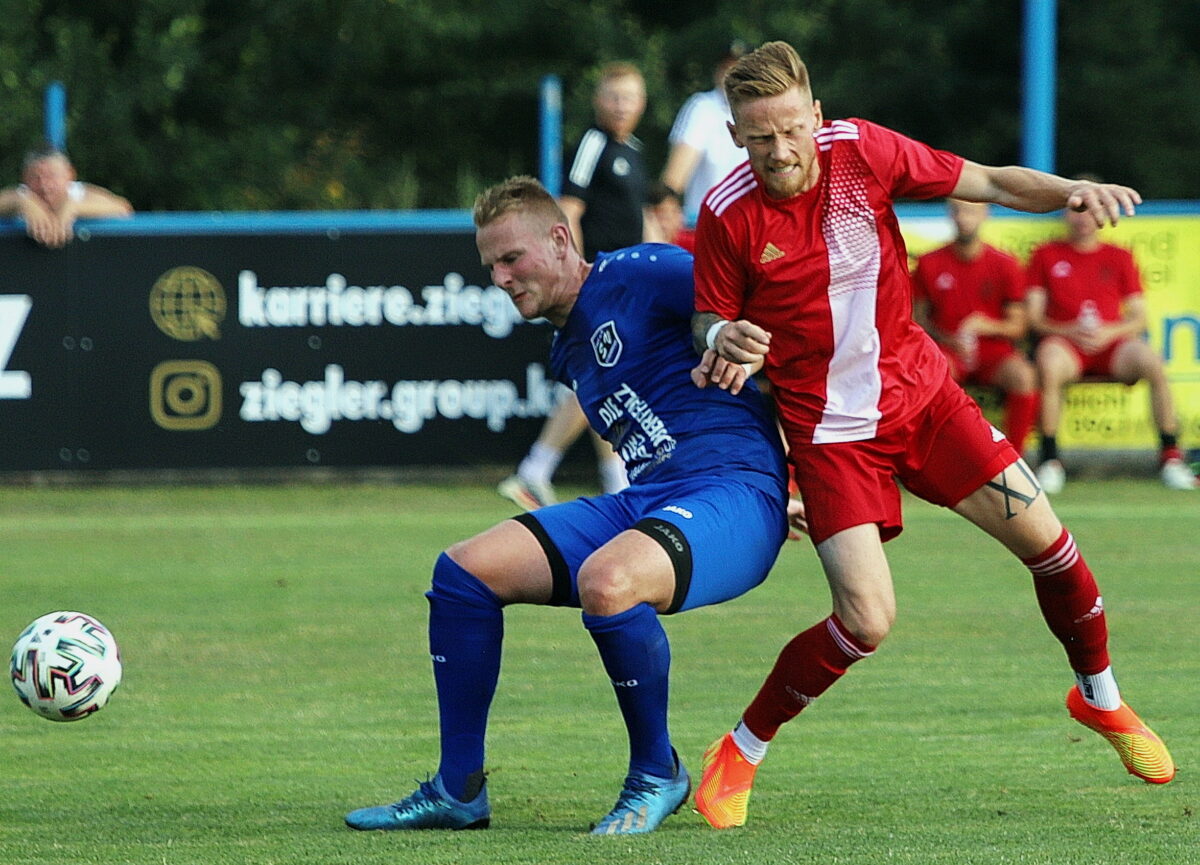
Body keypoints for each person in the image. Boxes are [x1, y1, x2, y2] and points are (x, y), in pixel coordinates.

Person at [687, 41, 1175, 830]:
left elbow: (991, 181)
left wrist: (1073, 189)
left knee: (1054, 547)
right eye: (757, 137)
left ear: (815, 115)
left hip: (925, 401)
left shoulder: (864, 152)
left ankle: (1102, 700)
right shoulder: (727, 212)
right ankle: (743, 744)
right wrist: (724, 336)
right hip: (832, 436)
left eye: (789, 130)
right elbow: (708, 318)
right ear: (737, 134)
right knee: (867, 621)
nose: (778, 151)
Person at [345, 176, 790, 835]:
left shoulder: (645, 268)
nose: (499, 277)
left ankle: (655, 772)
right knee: (464, 573)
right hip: (654, 497)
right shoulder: (568, 345)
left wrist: (806, 471)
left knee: (608, 583)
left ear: (559, 240)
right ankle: (457, 788)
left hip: (734, 491)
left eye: (510, 258)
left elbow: (774, 326)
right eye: (490, 266)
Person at [497, 61, 650, 508]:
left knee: (605, 375)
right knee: (597, 376)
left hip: (627, 285)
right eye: (614, 97)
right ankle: (535, 471)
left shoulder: (634, 151)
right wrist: (578, 274)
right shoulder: (593, 143)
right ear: (598, 100)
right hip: (598, 281)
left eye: (630, 98)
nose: (622, 106)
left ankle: (615, 483)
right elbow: (568, 209)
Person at [1026, 195, 1197, 492]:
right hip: (1067, 344)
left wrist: (1109, 332)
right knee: (1049, 362)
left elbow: (1139, 317)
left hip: (1111, 344)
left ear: (1103, 215)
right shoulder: (1046, 254)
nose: (1082, 218)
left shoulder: (1119, 256)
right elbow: (1033, 317)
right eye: (1076, 210)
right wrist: (1069, 331)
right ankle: (1050, 460)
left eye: (1090, 211)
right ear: (1065, 215)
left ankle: (1170, 457)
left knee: (1152, 361)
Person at [912, 199, 1039, 455]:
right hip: (947, 350)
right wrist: (946, 337)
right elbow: (916, 323)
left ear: (984, 215)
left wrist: (987, 326)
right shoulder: (929, 262)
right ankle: (935, 457)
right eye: (957, 211)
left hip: (992, 352)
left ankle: (1014, 458)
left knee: (1024, 376)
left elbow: (1018, 326)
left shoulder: (1005, 264)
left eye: (970, 211)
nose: (963, 217)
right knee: (933, 373)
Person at [661, 43, 749, 223]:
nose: (732, 76)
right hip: (707, 225)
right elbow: (675, 178)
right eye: (727, 68)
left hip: (754, 227)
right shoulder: (703, 108)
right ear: (717, 72)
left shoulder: (764, 111)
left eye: (740, 70)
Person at [0, 146, 132, 248]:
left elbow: (122, 207)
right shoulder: (22, 195)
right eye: (35, 177)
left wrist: (75, 207)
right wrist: (21, 204)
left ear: (69, 174)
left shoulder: (78, 193)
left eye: (52, 176)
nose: (45, 185)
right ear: (24, 179)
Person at [647, 181, 696, 252]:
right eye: (658, 218)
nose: (663, 225)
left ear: (679, 216)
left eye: (667, 218)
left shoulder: (696, 246)